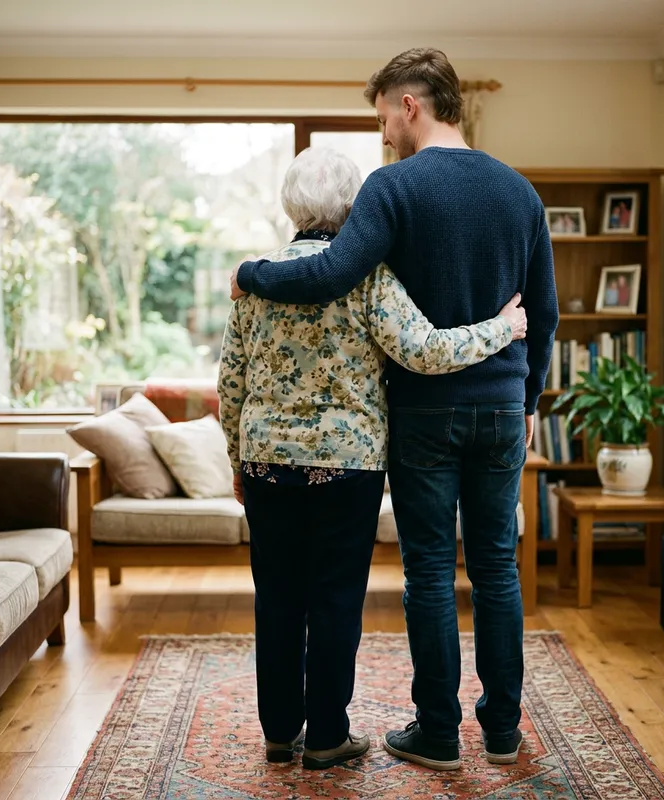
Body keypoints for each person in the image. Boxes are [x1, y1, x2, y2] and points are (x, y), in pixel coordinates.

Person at [229, 47, 559, 772]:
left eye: (383, 116)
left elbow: (330, 273)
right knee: (497, 568)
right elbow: (545, 313)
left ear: (410, 105)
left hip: (425, 414)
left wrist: (250, 272)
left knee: (431, 571)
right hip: (502, 408)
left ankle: (438, 733)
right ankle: (502, 732)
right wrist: (528, 397)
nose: (383, 133)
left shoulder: (393, 186)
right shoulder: (521, 192)